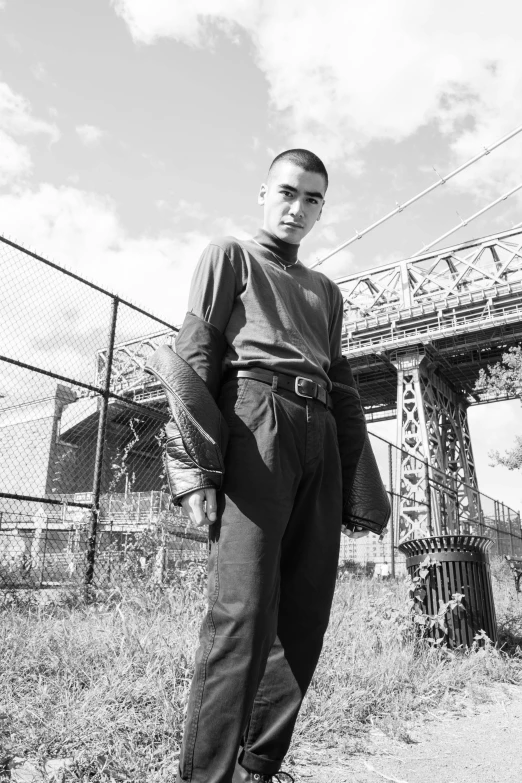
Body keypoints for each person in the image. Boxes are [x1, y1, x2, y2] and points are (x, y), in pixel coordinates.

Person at [169, 149, 370, 783]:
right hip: (256, 420)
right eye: (288, 192)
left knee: (307, 611)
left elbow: (340, 384)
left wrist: (358, 483)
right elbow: (195, 350)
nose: (298, 207)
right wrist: (194, 468)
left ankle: (260, 763)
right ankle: (207, 775)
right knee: (244, 614)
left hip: (318, 435)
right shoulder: (230, 255)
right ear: (263, 192)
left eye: (313, 198)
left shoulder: (326, 291)